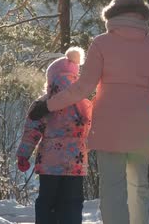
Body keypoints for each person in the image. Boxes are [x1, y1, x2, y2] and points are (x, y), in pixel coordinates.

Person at [28, 0, 149, 224]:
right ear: (142, 16)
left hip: (108, 126)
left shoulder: (101, 43)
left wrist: (49, 105)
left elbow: (82, 88)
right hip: (142, 126)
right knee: (139, 185)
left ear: (113, 14)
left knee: (112, 188)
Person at [16, 47, 92, 224]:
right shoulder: (84, 103)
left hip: (50, 163)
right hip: (76, 162)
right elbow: (93, 129)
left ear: (50, 79)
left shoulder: (43, 104)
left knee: (47, 202)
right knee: (72, 203)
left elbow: (31, 132)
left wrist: (23, 155)